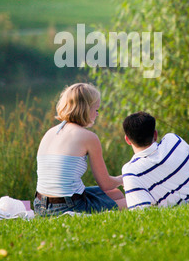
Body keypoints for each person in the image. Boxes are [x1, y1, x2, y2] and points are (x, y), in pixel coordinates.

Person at [34, 83, 127, 215]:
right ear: (86, 109)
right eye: (96, 110)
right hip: (67, 206)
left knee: (116, 193)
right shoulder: (89, 137)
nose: (97, 114)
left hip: (40, 205)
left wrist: (118, 181)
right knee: (132, 203)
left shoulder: (50, 132)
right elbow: (105, 183)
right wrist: (124, 178)